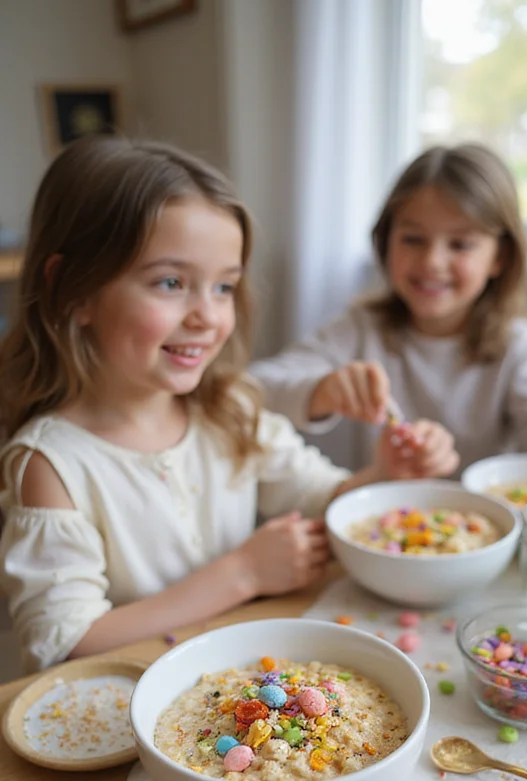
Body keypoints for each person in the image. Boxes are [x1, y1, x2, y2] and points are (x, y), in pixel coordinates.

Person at [0, 136, 458, 672]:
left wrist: (384, 471)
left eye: (223, 288)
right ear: (73, 291)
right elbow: (62, 643)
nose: (208, 316)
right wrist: (242, 574)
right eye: (171, 283)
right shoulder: (50, 466)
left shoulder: (230, 407)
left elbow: (321, 499)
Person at [251, 143, 527, 473]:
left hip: (487, 522)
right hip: (378, 516)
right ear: (386, 240)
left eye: (460, 244)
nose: (432, 262)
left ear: (500, 258)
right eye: (413, 239)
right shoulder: (361, 328)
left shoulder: (517, 344)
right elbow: (254, 388)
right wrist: (322, 391)